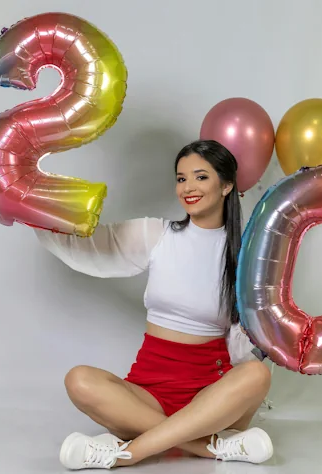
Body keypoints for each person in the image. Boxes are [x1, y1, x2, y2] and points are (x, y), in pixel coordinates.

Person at [36, 140, 274, 470]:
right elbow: (88, 246)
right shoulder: (157, 234)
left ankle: (126, 453)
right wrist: (31, 211)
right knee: (79, 379)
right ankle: (207, 448)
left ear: (227, 185)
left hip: (210, 395)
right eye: (181, 178)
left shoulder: (248, 254)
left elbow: (259, 330)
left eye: (201, 177)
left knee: (256, 375)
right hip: (146, 394)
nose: (188, 187)